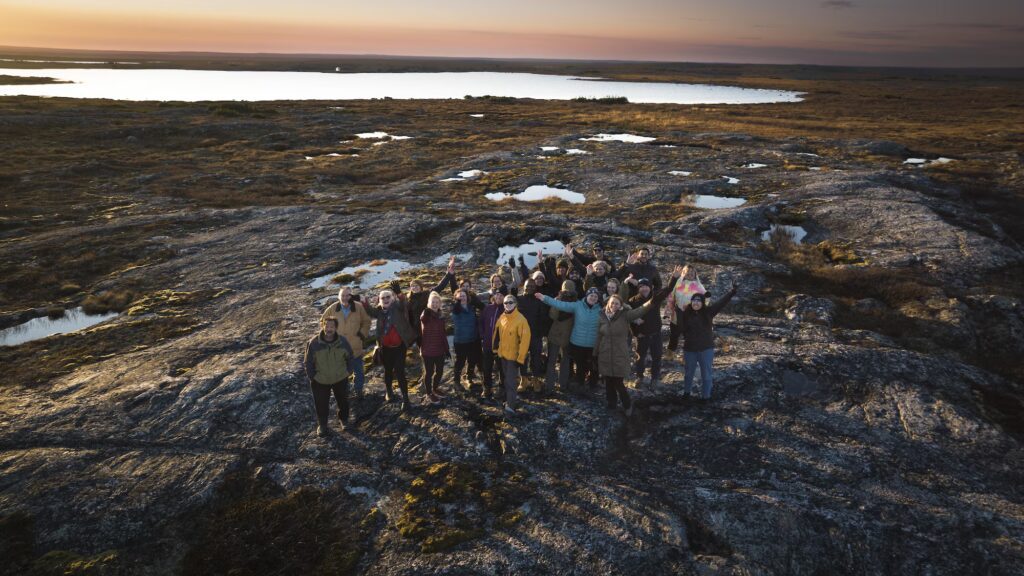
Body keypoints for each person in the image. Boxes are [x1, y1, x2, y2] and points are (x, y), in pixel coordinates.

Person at [595, 268, 679, 415]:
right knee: (613, 378)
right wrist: (595, 353)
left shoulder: (628, 312)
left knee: (655, 358)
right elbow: (599, 336)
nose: (614, 305)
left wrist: (673, 279)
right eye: (612, 303)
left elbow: (641, 310)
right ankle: (614, 402)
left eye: (617, 304)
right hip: (613, 350)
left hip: (628, 348)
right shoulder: (604, 316)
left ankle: (639, 394)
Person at [536, 286, 603, 392]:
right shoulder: (578, 305)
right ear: (587, 296)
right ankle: (575, 386)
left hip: (591, 344)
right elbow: (560, 305)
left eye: (595, 296)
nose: (593, 298)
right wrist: (545, 298)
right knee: (579, 366)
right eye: (591, 295)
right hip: (577, 342)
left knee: (590, 366)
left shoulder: (600, 310)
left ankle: (589, 387)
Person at [680, 280, 738, 399]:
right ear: (691, 302)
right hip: (689, 349)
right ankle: (686, 394)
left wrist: (732, 292)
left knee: (706, 375)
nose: (696, 302)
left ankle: (705, 397)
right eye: (694, 300)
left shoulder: (708, 312)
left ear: (702, 303)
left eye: (698, 301)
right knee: (688, 374)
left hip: (706, 349)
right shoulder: (686, 314)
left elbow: (721, 303)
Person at [303, 317, 357, 437]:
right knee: (321, 404)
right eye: (326, 326)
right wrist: (313, 377)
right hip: (320, 380)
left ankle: (344, 420)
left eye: (332, 326)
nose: (329, 329)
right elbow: (308, 362)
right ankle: (322, 425)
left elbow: (350, 357)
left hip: (340, 378)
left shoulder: (343, 341)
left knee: (343, 401)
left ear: (336, 328)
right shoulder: (314, 343)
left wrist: (348, 372)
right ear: (323, 326)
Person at [365, 288, 416, 411]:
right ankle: (389, 391)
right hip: (385, 348)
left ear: (392, 298)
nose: (386, 299)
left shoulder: (397, 307)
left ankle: (406, 399)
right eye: (383, 298)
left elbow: (404, 303)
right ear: (379, 300)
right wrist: (363, 301)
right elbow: (369, 310)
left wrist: (399, 294)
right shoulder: (379, 312)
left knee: (400, 371)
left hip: (399, 348)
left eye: (388, 297)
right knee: (387, 370)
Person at [320, 285, 371, 399]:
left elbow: (367, 322)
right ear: (339, 296)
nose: (345, 298)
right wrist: (329, 335)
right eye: (342, 295)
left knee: (359, 372)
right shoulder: (333, 308)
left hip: (355, 347)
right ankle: (344, 393)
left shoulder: (358, 307)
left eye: (347, 295)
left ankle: (358, 391)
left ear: (351, 296)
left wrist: (362, 334)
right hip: (338, 348)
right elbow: (323, 321)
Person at [403, 257, 456, 347]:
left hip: (429, 327)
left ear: (421, 287)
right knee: (422, 350)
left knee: (433, 348)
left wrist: (448, 274)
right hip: (417, 331)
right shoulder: (408, 299)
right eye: (412, 286)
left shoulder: (426, 295)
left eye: (416, 285)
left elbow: (440, 287)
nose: (414, 287)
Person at [492, 294, 531, 415]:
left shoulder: (521, 320)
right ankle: (509, 400)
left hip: (513, 357)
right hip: (503, 355)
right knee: (505, 379)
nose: (508, 305)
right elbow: (496, 334)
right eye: (505, 303)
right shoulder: (502, 316)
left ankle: (511, 406)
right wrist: (495, 350)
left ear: (515, 304)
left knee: (511, 382)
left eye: (510, 302)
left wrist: (520, 358)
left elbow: (525, 340)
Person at [628, 278, 666, 388]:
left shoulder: (655, 298)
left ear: (650, 287)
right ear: (638, 288)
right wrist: (636, 333)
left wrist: (674, 278)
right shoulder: (632, 301)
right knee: (640, 357)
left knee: (657, 357)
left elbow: (667, 291)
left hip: (656, 334)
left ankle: (655, 378)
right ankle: (640, 377)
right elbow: (630, 319)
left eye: (646, 286)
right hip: (641, 335)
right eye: (641, 287)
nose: (644, 288)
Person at [666, 265, 707, 358]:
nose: (690, 274)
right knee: (674, 335)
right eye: (687, 272)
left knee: (689, 337)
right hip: (677, 315)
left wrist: (701, 313)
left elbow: (705, 300)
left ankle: (688, 356)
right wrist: (668, 311)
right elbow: (671, 297)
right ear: (683, 273)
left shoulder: (699, 286)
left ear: (695, 274)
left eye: (692, 272)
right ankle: (670, 353)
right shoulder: (678, 283)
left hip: (691, 316)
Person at [544, 279, 577, 392]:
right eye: (565, 291)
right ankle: (552, 386)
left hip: (565, 335)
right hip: (558, 334)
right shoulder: (558, 301)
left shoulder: (575, 303)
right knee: (555, 361)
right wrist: (556, 303)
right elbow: (553, 316)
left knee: (562, 361)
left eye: (569, 291)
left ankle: (558, 385)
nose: (567, 293)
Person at [419, 291, 449, 404]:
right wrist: (425, 312)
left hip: (440, 349)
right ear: (429, 303)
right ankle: (429, 393)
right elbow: (423, 319)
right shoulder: (426, 315)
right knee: (429, 372)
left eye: (437, 302)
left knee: (440, 371)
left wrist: (446, 349)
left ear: (440, 304)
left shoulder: (441, 316)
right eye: (433, 302)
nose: (435, 304)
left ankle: (435, 388)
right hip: (427, 350)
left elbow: (443, 334)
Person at [451, 287, 482, 391]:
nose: (462, 298)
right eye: (460, 296)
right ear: (456, 298)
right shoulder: (455, 308)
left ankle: (469, 378)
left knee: (472, 360)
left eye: (464, 296)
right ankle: (456, 381)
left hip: (472, 339)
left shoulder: (471, 307)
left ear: (467, 297)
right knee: (460, 362)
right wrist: (457, 302)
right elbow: (454, 311)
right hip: (460, 341)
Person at [478, 290, 505, 400]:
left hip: (500, 346)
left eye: (501, 295)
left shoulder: (506, 310)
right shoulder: (488, 308)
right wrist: (482, 335)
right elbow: (481, 322)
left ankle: (501, 388)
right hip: (487, 344)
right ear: (493, 296)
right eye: (497, 294)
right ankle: (487, 388)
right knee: (486, 367)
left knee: (501, 368)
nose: (499, 296)